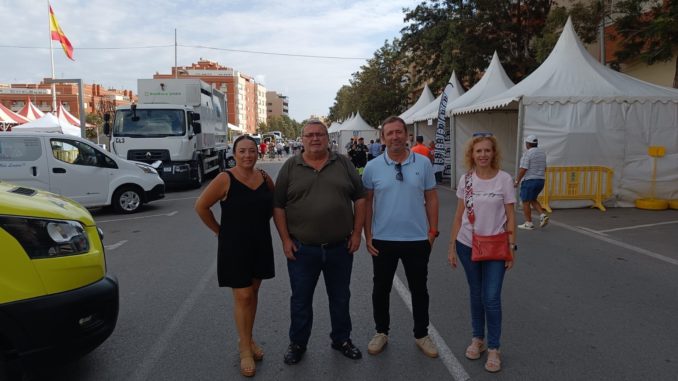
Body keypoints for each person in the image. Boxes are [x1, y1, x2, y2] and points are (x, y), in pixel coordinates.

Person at [273, 120, 366, 365]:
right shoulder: (291, 167)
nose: (315, 139)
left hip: (340, 248)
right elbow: (278, 206)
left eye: (320, 134)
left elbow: (361, 198)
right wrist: (284, 239)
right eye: (310, 135)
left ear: (328, 138)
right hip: (303, 249)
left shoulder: (344, 163)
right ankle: (298, 343)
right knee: (301, 300)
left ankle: (341, 339)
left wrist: (357, 234)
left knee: (341, 298)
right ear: (302, 139)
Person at [194, 135, 275, 377]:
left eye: (252, 151)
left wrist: (262, 223)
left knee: (254, 294)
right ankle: (244, 348)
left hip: (260, 243)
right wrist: (220, 232)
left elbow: (275, 203)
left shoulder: (264, 177)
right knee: (243, 295)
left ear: (258, 153)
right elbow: (201, 206)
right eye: (242, 151)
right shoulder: (225, 178)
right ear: (234, 153)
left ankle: (249, 339)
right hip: (234, 246)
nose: (247, 155)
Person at [362, 116, 440, 358]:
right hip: (384, 239)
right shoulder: (373, 166)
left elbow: (432, 197)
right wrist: (368, 235)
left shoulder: (424, 163)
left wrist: (432, 231)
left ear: (406, 134)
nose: (395, 137)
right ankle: (381, 332)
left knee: (419, 289)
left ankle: (421, 334)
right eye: (390, 133)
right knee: (381, 289)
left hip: (417, 239)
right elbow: (366, 202)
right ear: (383, 138)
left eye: (399, 132)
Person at [447, 133, 516, 373]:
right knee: (476, 294)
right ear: (472, 155)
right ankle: (478, 338)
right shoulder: (466, 180)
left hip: (496, 246)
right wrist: (452, 246)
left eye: (487, 150)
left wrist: (512, 246)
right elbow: (458, 215)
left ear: (493, 153)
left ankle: (494, 347)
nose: (483, 155)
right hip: (467, 244)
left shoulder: (505, 180)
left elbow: (510, 215)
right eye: (479, 151)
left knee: (491, 297)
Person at [514, 134, 548, 230]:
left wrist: (517, 181)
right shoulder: (542, 153)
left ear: (527, 144)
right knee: (533, 199)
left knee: (525, 201)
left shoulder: (527, 154)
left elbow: (523, 169)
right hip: (541, 180)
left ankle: (528, 223)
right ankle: (542, 216)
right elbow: (545, 168)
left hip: (530, 181)